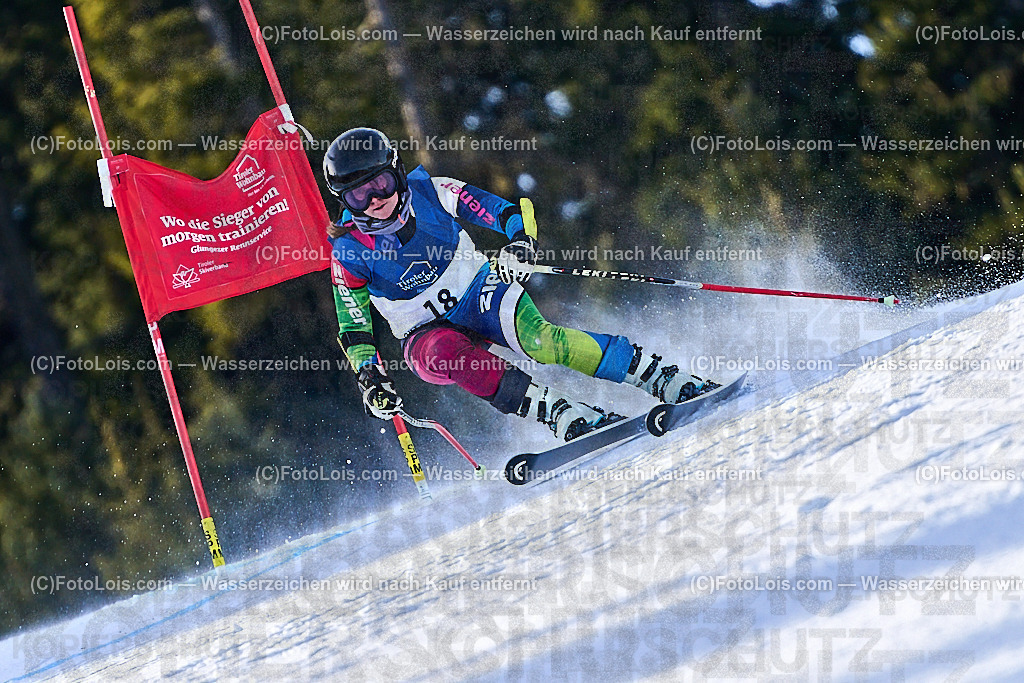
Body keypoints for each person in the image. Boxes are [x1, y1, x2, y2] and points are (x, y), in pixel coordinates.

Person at [324, 127, 720, 441]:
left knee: (541, 341)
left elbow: (506, 212)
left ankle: (657, 375)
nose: (374, 201)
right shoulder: (348, 252)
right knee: (446, 354)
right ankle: (558, 411)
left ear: (396, 173)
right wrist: (370, 377)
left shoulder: (434, 191)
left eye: (381, 184)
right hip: (423, 333)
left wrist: (520, 243)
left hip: (477, 292)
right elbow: (355, 328)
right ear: (344, 200)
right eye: (359, 196)